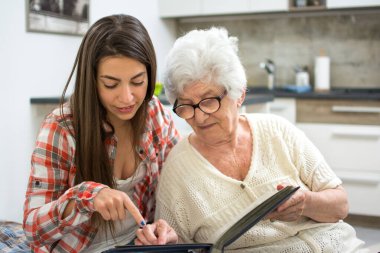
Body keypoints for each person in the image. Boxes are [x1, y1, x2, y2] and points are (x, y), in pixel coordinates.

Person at [139, 27, 368, 252]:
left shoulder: (278, 131)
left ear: (239, 94)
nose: (198, 117)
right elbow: (173, 244)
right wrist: (165, 241)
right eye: (186, 105)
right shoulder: (179, 170)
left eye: (209, 101)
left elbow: (340, 206)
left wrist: (306, 203)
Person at [23, 14, 180, 253]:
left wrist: (163, 228)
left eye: (137, 82)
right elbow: (32, 229)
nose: (127, 97)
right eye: (111, 84)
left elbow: (174, 189)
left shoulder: (154, 114)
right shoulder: (62, 127)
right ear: (92, 80)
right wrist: (85, 197)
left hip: (135, 247)